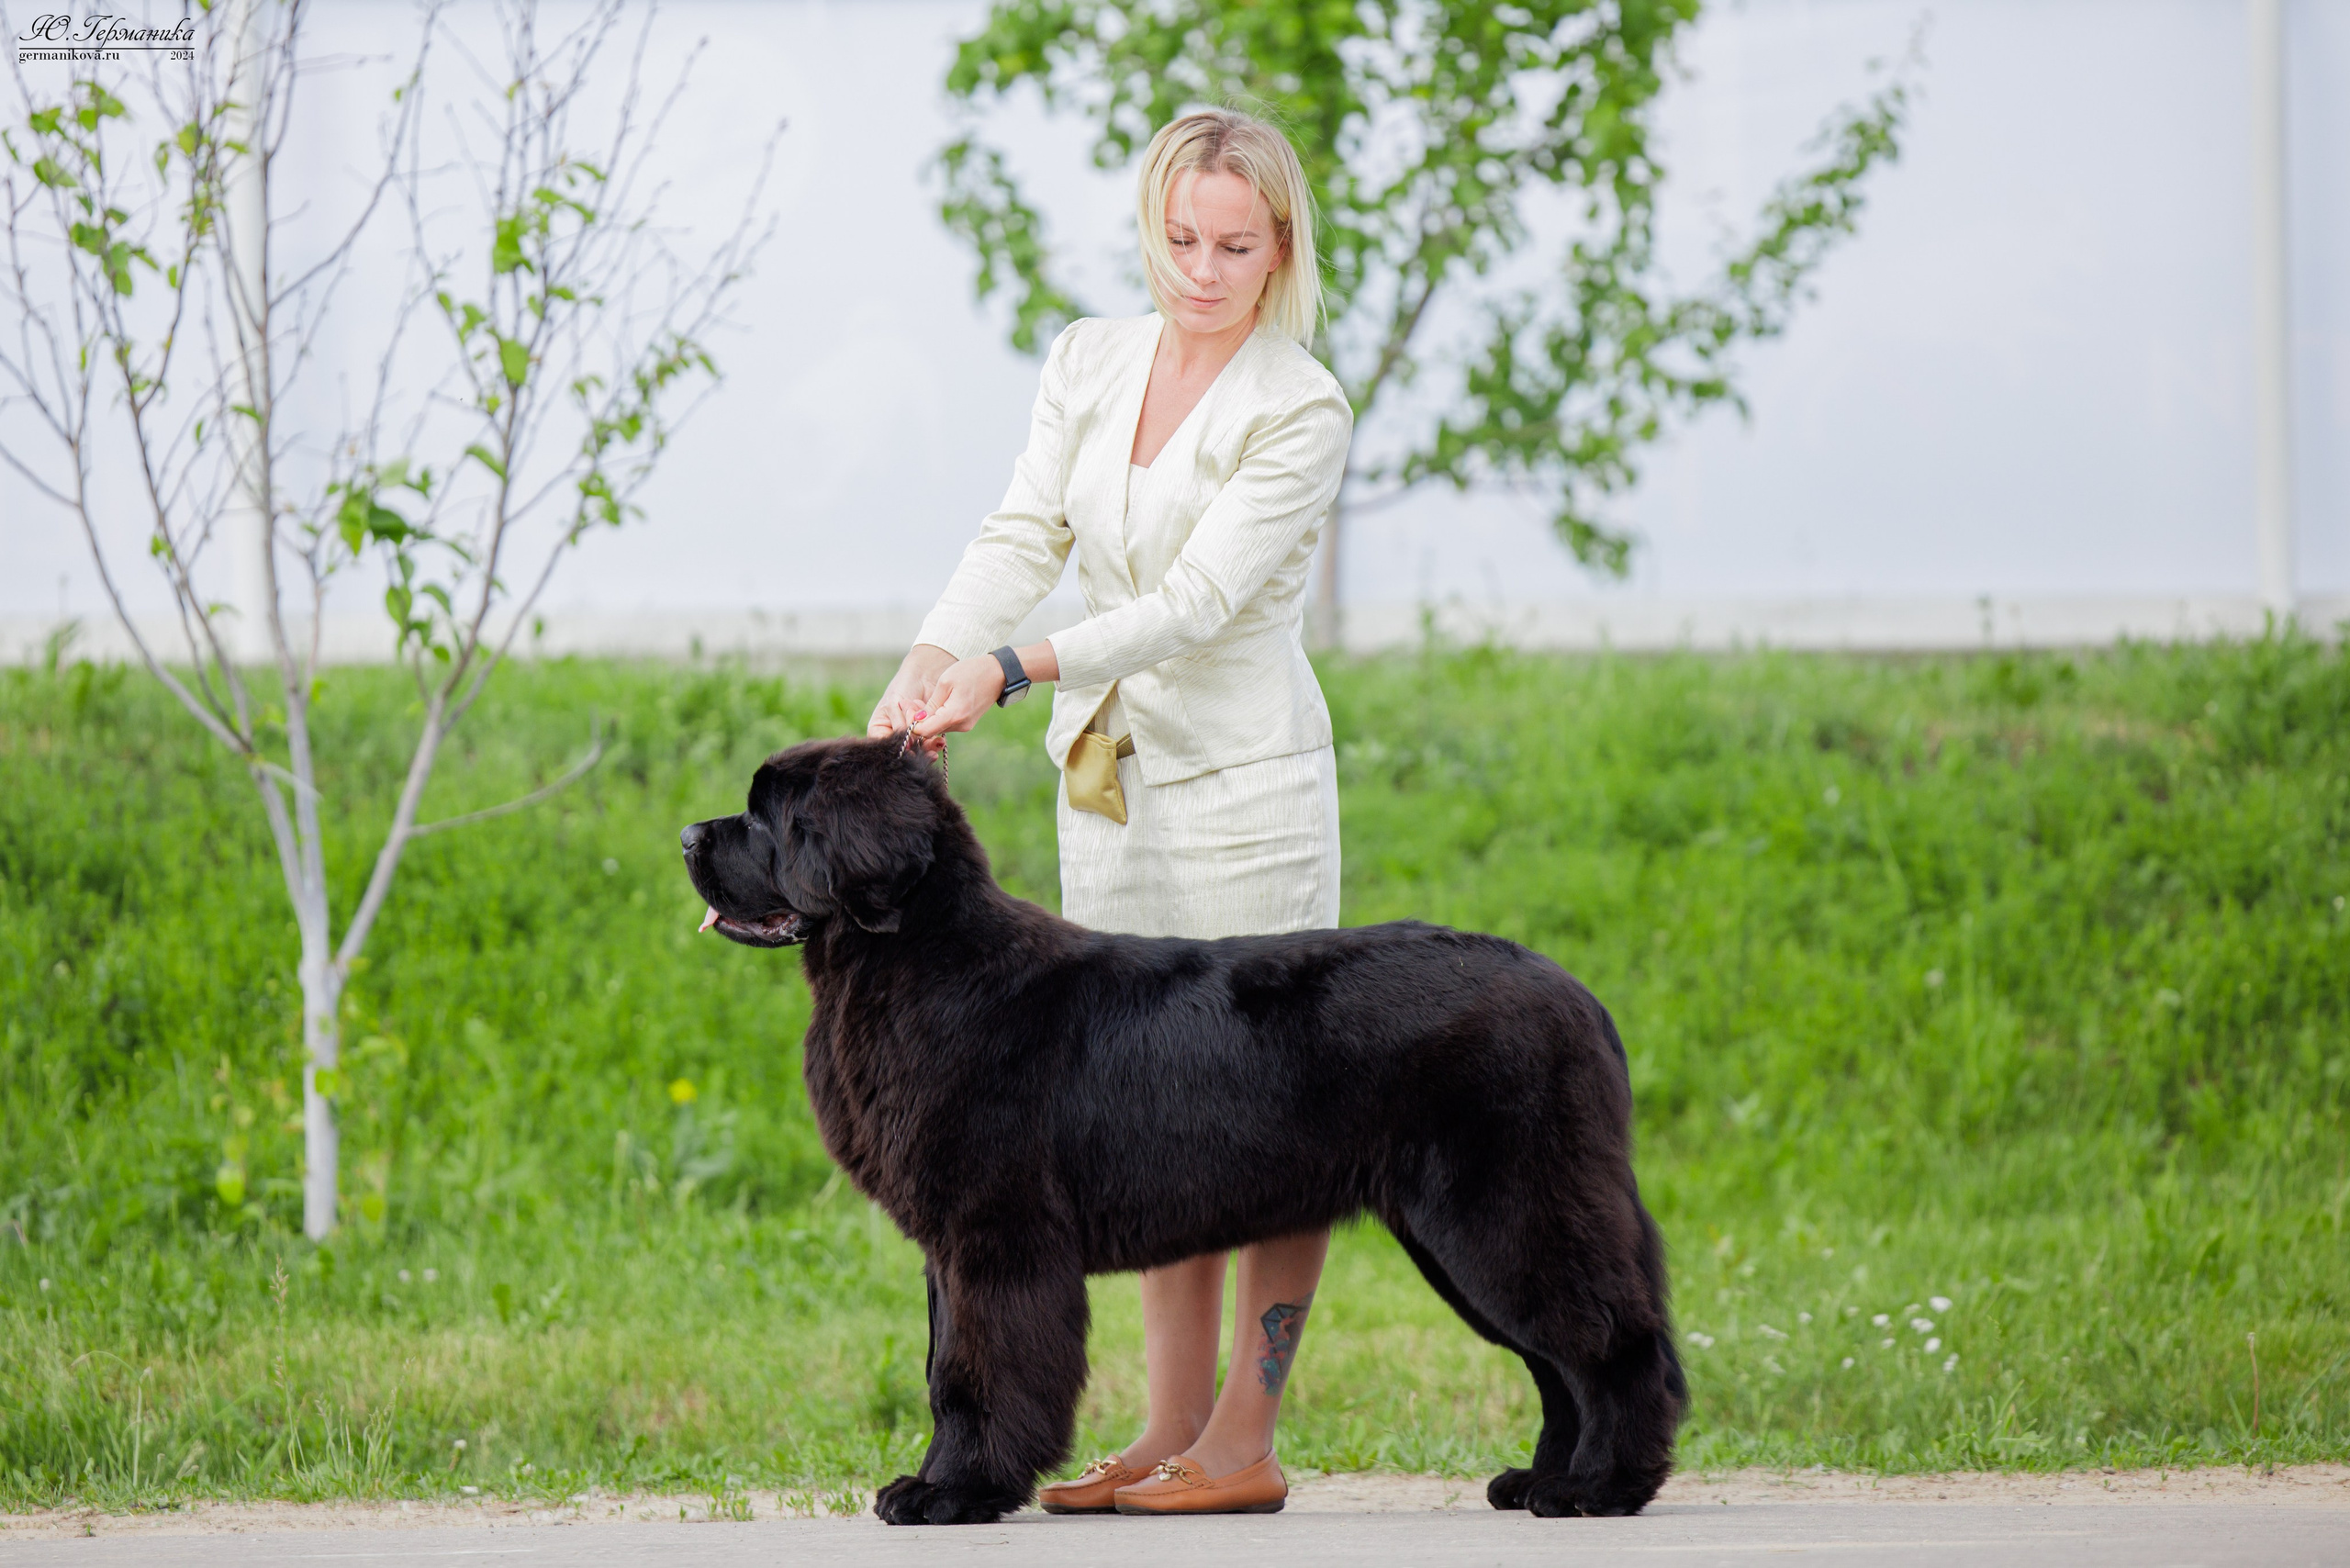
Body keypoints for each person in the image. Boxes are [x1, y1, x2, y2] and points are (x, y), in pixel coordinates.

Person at [864, 106, 1352, 1517]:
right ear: (1153, 227)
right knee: (1146, 1110)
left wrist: (1008, 669)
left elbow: (1196, 605)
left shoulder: (1299, 405)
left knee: (1273, 1114)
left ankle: (1247, 1441)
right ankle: (1164, 1432)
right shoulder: (1088, 359)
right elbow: (1024, 530)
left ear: (1279, 250)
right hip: (1116, 792)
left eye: (1235, 246)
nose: (1201, 271)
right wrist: (919, 670)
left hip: (1248, 793)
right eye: (1180, 239)